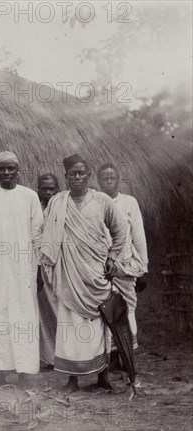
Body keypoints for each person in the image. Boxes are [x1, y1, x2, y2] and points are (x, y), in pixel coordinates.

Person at [40, 154, 127, 393]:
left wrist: (111, 256)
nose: (77, 177)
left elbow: (120, 229)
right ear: (65, 177)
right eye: (72, 174)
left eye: (82, 173)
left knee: (99, 325)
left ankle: (102, 376)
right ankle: (72, 380)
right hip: (69, 275)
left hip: (95, 275)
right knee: (69, 324)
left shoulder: (102, 201)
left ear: (89, 175)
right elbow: (46, 234)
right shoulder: (57, 202)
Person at [0, 151, 44, 387]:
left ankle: (24, 371)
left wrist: (38, 270)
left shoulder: (30, 197)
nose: (6, 173)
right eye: (1, 169)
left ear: (18, 171)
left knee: (23, 318)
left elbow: (37, 236)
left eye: (10, 169)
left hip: (24, 269)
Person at [98, 163, 148, 351]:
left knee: (128, 309)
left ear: (118, 179)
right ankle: (110, 357)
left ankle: (126, 354)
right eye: (105, 178)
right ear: (98, 180)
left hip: (125, 265)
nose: (109, 181)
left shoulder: (129, 202)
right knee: (105, 310)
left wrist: (144, 268)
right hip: (102, 267)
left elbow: (138, 236)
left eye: (112, 177)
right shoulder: (95, 201)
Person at [36, 173, 60, 369]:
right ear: (39, 190)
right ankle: (49, 357)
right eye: (45, 189)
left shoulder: (63, 207)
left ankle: (69, 356)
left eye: (53, 188)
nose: (49, 192)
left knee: (64, 311)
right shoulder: (35, 210)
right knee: (44, 313)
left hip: (62, 267)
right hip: (42, 266)